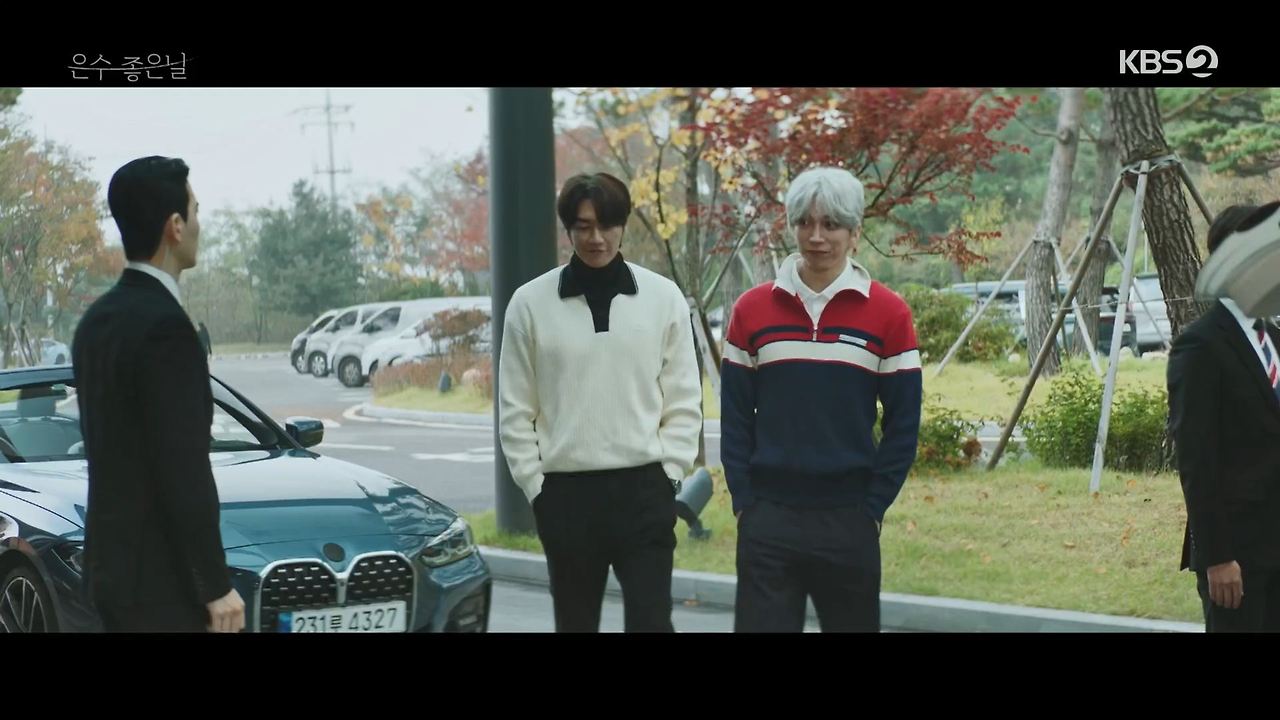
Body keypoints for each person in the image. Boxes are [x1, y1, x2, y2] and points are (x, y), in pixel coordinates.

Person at [498, 172, 702, 632]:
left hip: (645, 492)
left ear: (623, 224)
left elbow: (684, 399)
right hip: (565, 497)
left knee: (652, 623)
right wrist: (536, 488)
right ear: (568, 229)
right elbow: (515, 410)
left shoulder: (663, 298)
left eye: (607, 225)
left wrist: (670, 475)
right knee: (575, 624)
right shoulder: (529, 304)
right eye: (583, 226)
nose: (596, 238)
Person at [720, 166, 922, 632]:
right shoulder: (751, 310)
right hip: (767, 519)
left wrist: (872, 509)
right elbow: (734, 418)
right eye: (805, 223)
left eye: (831, 224)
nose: (816, 237)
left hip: (849, 520)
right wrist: (744, 502)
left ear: (855, 233)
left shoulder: (889, 314)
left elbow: (903, 424)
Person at [72, 156, 244, 633]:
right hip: (162, 585)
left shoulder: (95, 323)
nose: (199, 223)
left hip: (109, 572)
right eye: (195, 210)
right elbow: (182, 467)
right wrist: (214, 583)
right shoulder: (167, 328)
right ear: (175, 226)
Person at [1168, 201, 1280, 632]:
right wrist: (1217, 557)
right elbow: (1196, 461)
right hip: (1238, 558)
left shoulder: (1273, 337)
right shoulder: (1200, 347)